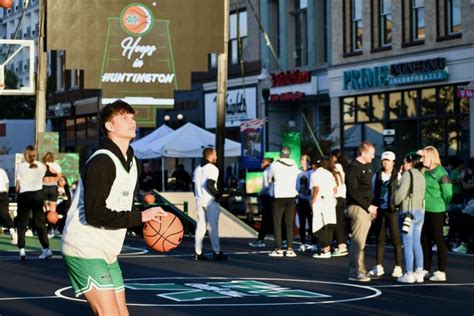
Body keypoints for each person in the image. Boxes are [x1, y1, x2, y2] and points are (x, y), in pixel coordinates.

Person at [61, 100, 168, 315]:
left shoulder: (133, 162)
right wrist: (140, 217)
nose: (132, 122)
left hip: (108, 249)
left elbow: (123, 208)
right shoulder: (101, 162)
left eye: (132, 117)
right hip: (85, 245)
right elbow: (95, 214)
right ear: (109, 127)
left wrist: (148, 223)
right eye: (124, 118)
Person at [346, 141, 378, 282]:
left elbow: (367, 189)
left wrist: (371, 206)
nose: (373, 156)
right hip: (357, 207)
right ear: (363, 153)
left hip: (366, 207)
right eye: (371, 154)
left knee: (362, 242)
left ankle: (361, 269)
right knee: (357, 241)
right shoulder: (354, 168)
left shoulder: (368, 166)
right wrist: (367, 206)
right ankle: (355, 272)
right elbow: (354, 191)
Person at [420, 146, 452, 282]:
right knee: (425, 241)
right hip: (424, 210)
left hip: (437, 211)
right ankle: (426, 269)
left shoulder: (441, 173)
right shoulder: (425, 172)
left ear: (432, 157)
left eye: (424, 157)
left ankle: (441, 271)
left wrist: (443, 206)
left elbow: (448, 193)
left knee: (439, 241)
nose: (422, 159)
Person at [368, 151, 403, 279]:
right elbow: (373, 192)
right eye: (383, 160)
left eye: (388, 160)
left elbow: (400, 192)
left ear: (393, 162)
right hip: (380, 210)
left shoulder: (398, 176)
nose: (385, 162)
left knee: (395, 239)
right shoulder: (376, 176)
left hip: (392, 210)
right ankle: (379, 266)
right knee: (379, 238)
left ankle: (398, 266)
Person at [394, 152, 426, 283]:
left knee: (407, 244)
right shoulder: (421, 176)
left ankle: (409, 273)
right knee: (417, 243)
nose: (403, 164)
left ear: (410, 162)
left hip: (407, 212)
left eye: (405, 162)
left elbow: (400, 195)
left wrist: (394, 200)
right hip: (419, 212)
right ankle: (419, 271)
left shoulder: (407, 175)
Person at [193, 147, 227, 261]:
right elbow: (210, 184)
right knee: (213, 227)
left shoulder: (197, 169)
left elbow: (194, 186)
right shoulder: (212, 168)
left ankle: (198, 252)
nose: (216, 157)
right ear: (210, 155)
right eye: (215, 155)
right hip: (210, 201)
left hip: (199, 200)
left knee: (200, 227)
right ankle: (216, 252)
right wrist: (218, 196)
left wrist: (198, 196)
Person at [15, 145, 50, 260]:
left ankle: (22, 250)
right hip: (38, 194)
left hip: (25, 195)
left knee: (22, 223)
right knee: (40, 223)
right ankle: (46, 248)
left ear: (25, 154)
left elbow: (17, 186)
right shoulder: (42, 166)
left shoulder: (21, 167)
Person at [267, 146, 299, 258]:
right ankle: (290, 248)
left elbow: (269, 178)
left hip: (279, 195)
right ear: (289, 154)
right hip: (291, 195)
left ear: (280, 154)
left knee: (277, 223)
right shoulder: (295, 165)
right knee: (289, 223)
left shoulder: (275, 165)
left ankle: (279, 249)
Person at [311, 157, 338, 259]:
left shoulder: (314, 174)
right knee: (329, 224)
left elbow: (316, 188)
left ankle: (326, 247)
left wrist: (313, 200)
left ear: (315, 165)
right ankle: (327, 250)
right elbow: (335, 189)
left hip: (320, 201)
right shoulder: (329, 173)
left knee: (316, 227)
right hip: (330, 200)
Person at [249, 158, 274, 248]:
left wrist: (259, 193)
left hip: (267, 197)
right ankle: (283, 240)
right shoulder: (271, 170)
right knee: (271, 219)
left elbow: (266, 186)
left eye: (263, 163)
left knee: (266, 218)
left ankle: (260, 239)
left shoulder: (267, 171)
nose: (261, 165)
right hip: (273, 197)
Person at [331, 150, 349, 257]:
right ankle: (342, 244)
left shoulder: (337, 166)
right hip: (343, 197)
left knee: (337, 222)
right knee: (341, 222)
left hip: (337, 197)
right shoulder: (343, 166)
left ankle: (341, 246)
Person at [296, 155, 313, 252]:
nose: (302, 161)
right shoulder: (298, 172)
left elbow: (313, 185)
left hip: (309, 200)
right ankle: (302, 243)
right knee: (302, 222)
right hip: (301, 199)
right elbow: (296, 185)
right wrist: (299, 191)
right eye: (301, 159)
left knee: (311, 222)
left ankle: (313, 242)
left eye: (304, 160)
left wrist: (308, 191)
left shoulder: (311, 172)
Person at [0, 167, 17, 245]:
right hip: (3, 194)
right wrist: (6, 193)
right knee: (6, 214)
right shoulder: (2, 170)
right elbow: (7, 183)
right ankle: (12, 232)